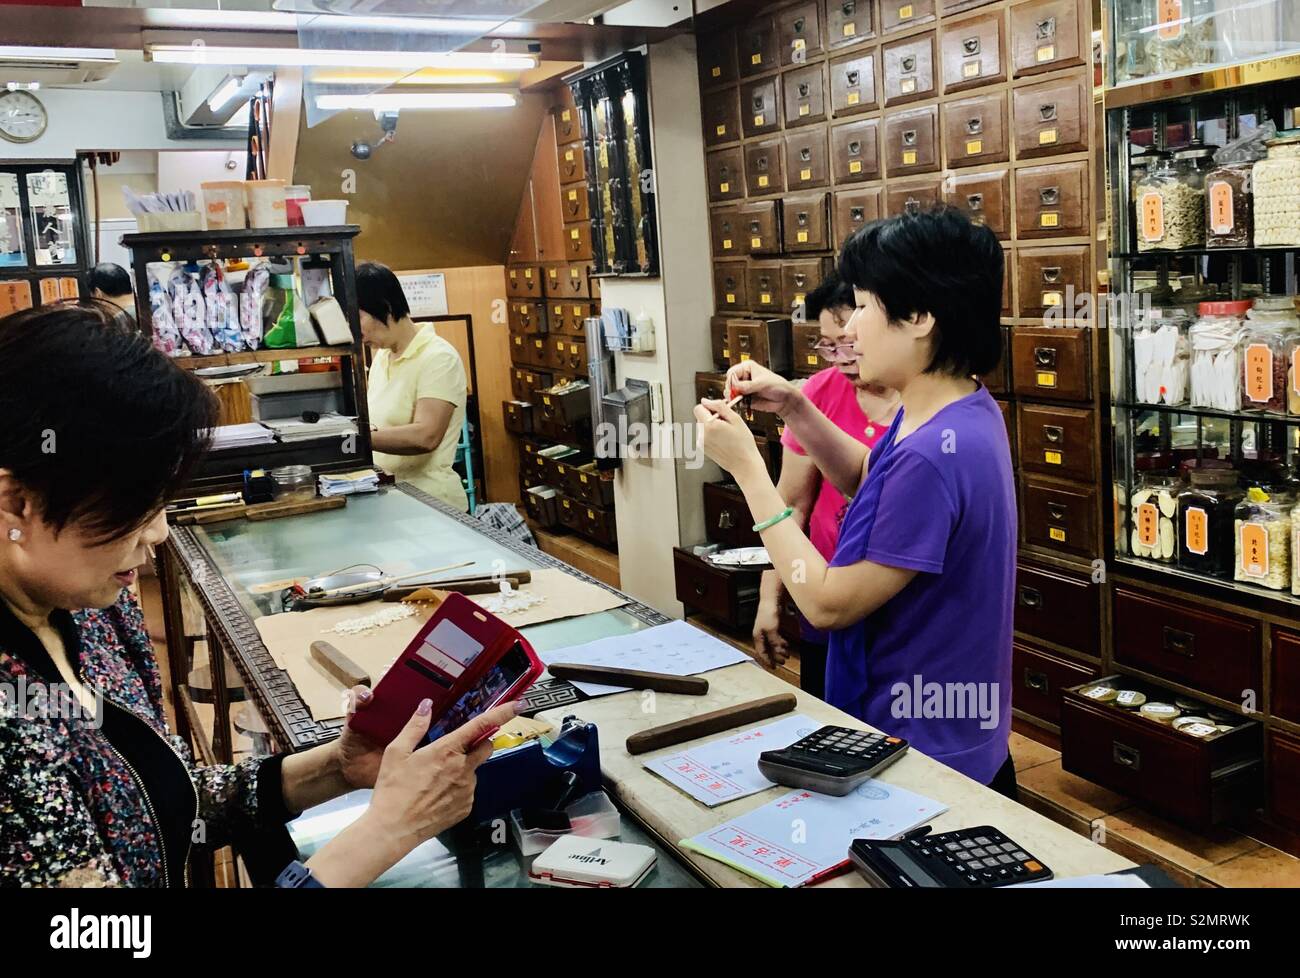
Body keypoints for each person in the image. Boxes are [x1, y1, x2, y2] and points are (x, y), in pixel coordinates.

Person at [0, 302, 514, 887]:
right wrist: (390, 830)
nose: (160, 532)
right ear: (18, 504)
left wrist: (334, 768)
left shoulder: (87, 614)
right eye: (134, 506)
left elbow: (161, 799)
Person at [696, 207, 1017, 795]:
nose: (850, 331)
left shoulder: (934, 452)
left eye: (865, 306)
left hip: (924, 752)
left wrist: (748, 470)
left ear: (920, 317)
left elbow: (825, 604)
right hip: (945, 732)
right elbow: (871, 476)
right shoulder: (955, 408)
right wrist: (796, 407)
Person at [752, 273, 900, 699]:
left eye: (849, 341)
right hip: (822, 591)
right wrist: (770, 600)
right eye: (827, 343)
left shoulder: (923, 406)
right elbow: (791, 506)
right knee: (830, 719)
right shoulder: (817, 393)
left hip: (891, 601)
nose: (838, 356)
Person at [357, 262, 469, 511]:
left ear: (385, 307)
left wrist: (357, 439)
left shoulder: (439, 357)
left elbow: (425, 436)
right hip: (392, 500)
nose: (357, 332)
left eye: (359, 317)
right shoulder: (382, 357)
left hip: (433, 506)